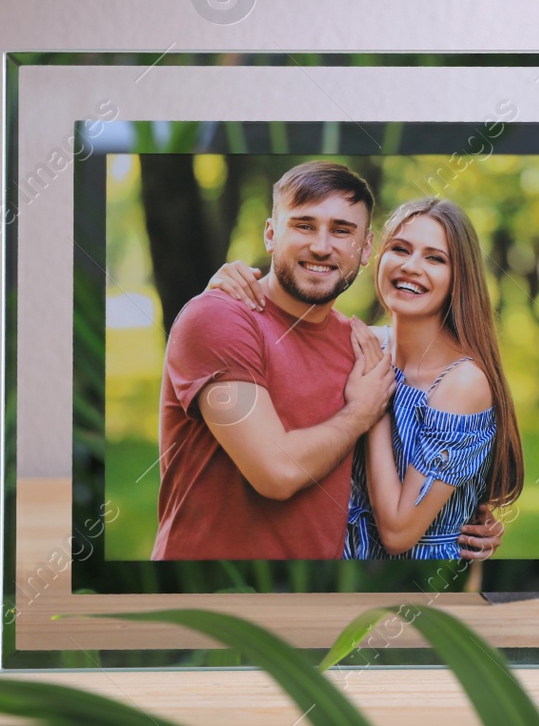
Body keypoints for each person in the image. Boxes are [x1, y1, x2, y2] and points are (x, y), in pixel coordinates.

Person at [151, 161, 502, 561]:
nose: (321, 246)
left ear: (365, 248)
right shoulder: (221, 317)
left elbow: (416, 491)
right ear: (270, 234)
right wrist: (363, 412)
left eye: (341, 231)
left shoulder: (358, 346)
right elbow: (277, 473)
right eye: (303, 225)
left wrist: (464, 519)